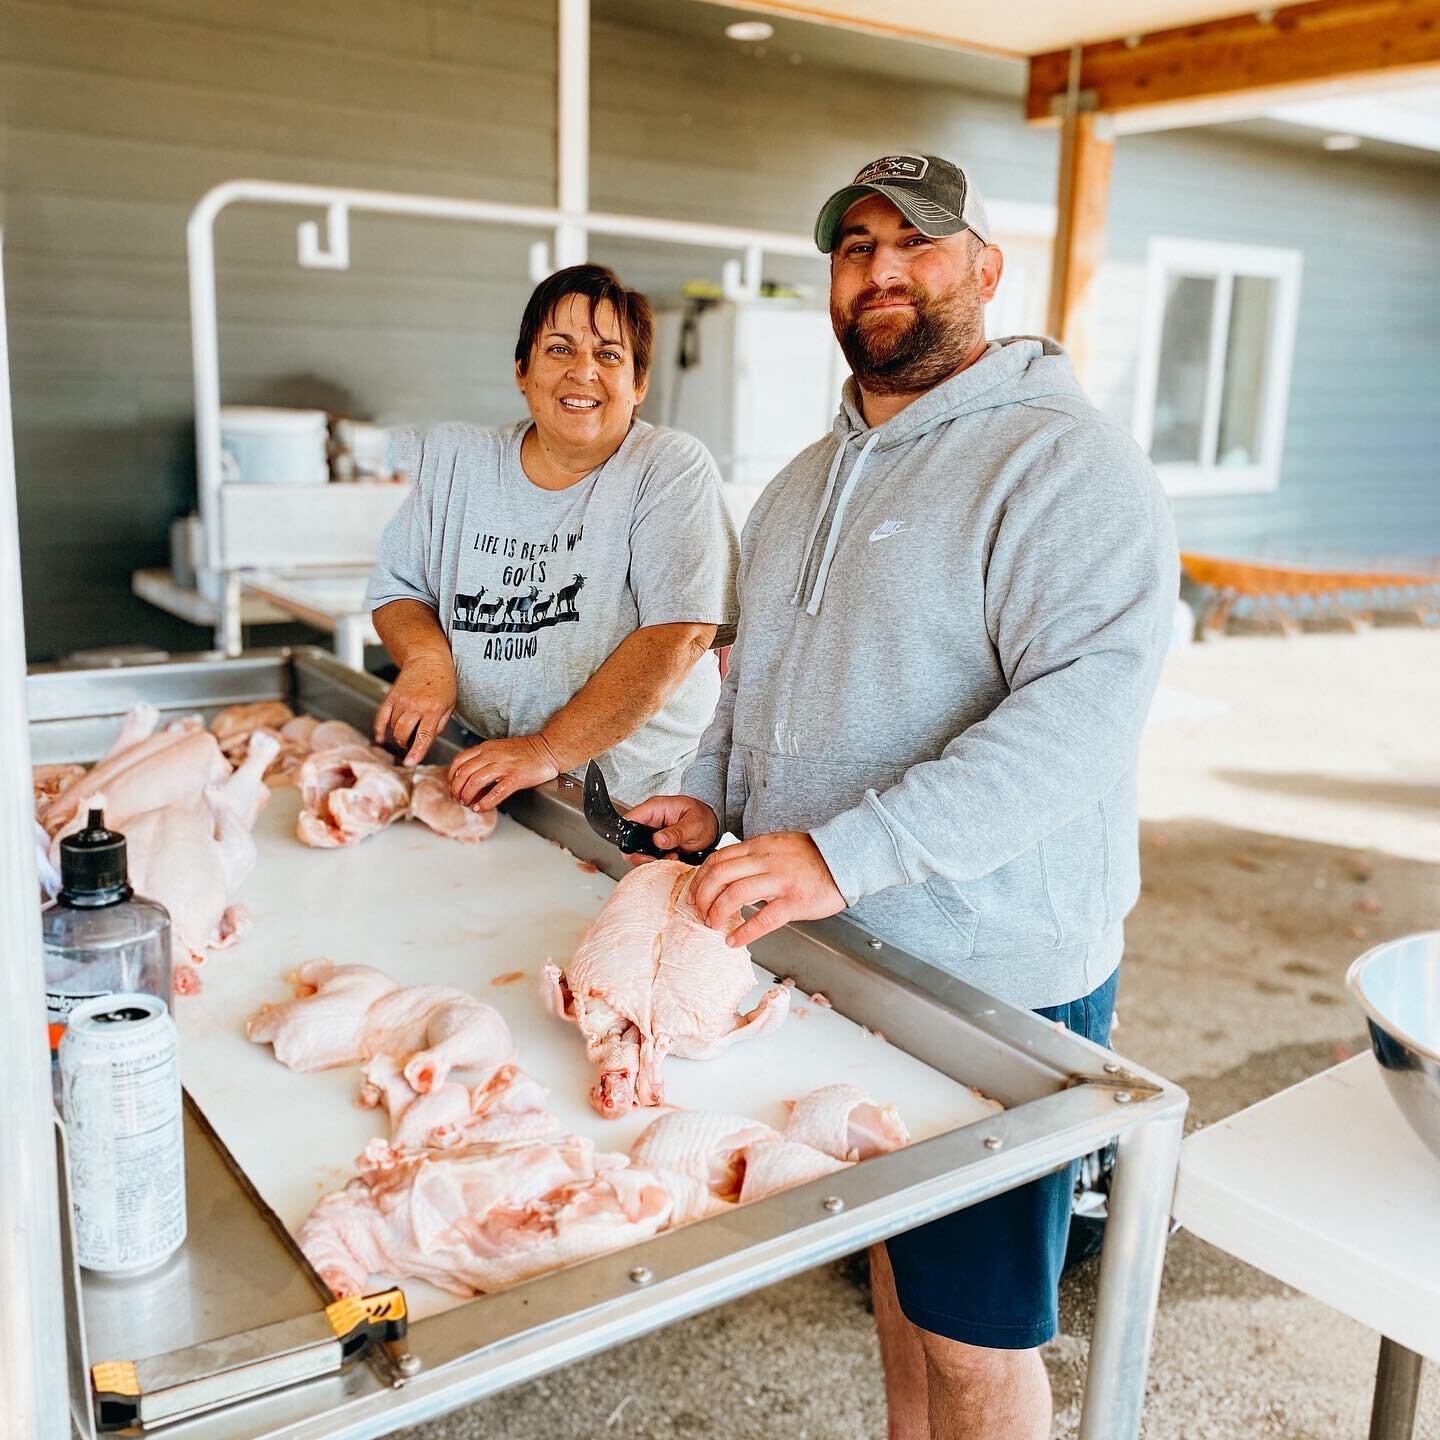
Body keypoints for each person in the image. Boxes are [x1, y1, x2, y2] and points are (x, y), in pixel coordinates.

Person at [627, 154, 1179, 1440]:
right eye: (855, 246)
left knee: (979, 1334)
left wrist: (838, 853)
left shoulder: (1066, 465)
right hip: (845, 956)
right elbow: (750, 677)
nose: (882, 269)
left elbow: (1077, 725)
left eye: (917, 243)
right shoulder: (800, 483)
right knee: (893, 1265)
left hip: (996, 973)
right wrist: (710, 794)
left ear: (985, 269)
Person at [365, 263, 738, 809]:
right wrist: (427, 660)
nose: (583, 372)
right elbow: (398, 588)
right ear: (523, 369)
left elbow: (678, 634)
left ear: (637, 385)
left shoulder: (669, 468)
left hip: (630, 802)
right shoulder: (460, 462)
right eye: (559, 349)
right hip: (484, 767)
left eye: (609, 355)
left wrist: (547, 748)